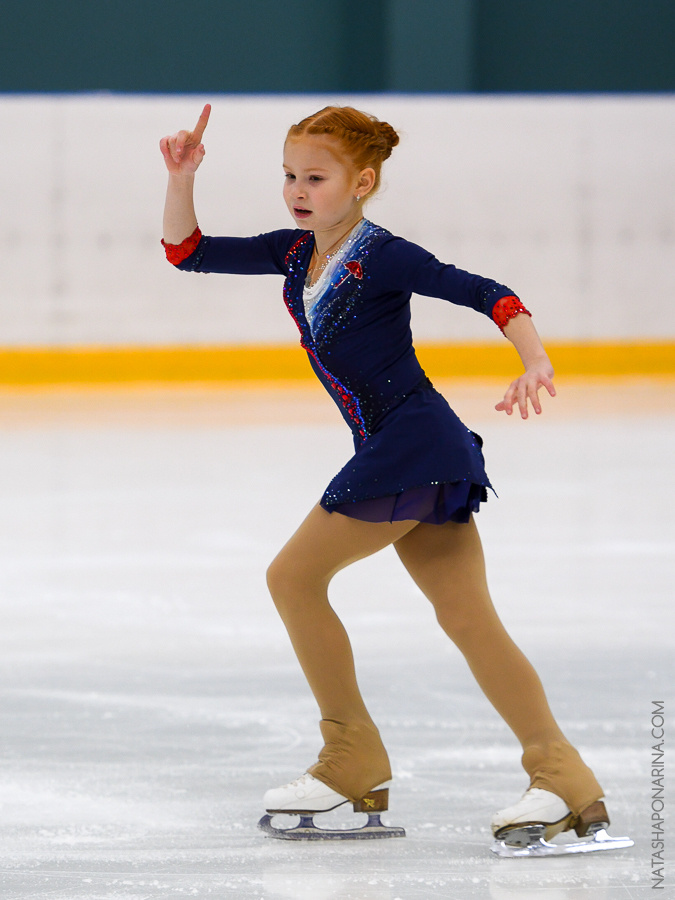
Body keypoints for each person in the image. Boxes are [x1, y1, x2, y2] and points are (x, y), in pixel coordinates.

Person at [159, 103, 622, 852]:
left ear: (362, 181)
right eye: (288, 176)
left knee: (292, 579)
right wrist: (181, 178)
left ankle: (352, 756)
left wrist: (532, 356)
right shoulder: (292, 254)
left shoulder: (384, 255)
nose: (297, 190)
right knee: (469, 619)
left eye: (316, 177)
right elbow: (187, 251)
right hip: (408, 447)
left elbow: (485, 292)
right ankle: (563, 775)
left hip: (409, 445)